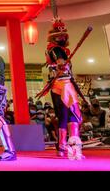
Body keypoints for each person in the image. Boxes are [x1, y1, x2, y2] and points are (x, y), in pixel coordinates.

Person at [36, 17, 87, 160]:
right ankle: (73, 147)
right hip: (63, 84)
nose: (61, 37)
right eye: (58, 36)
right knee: (73, 115)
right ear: (53, 37)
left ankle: (62, 146)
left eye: (63, 35)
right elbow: (60, 62)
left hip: (57, 86)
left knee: (63, 116)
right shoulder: (56, 49)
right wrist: (61, 64)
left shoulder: (54, 50)